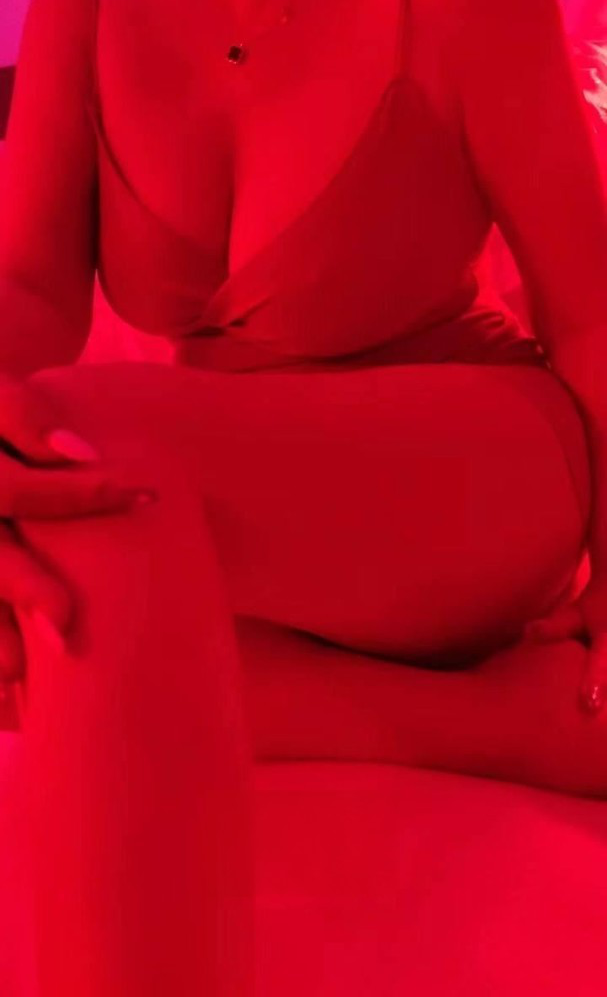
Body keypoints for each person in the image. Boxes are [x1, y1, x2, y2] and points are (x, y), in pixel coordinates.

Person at [0, 0, 606, 993]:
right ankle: (507, 727)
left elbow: (590, 312)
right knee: (35, 602)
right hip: (241, 509)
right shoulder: (85, 12)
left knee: (73, 459)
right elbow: (29, 287)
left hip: (477, 472)